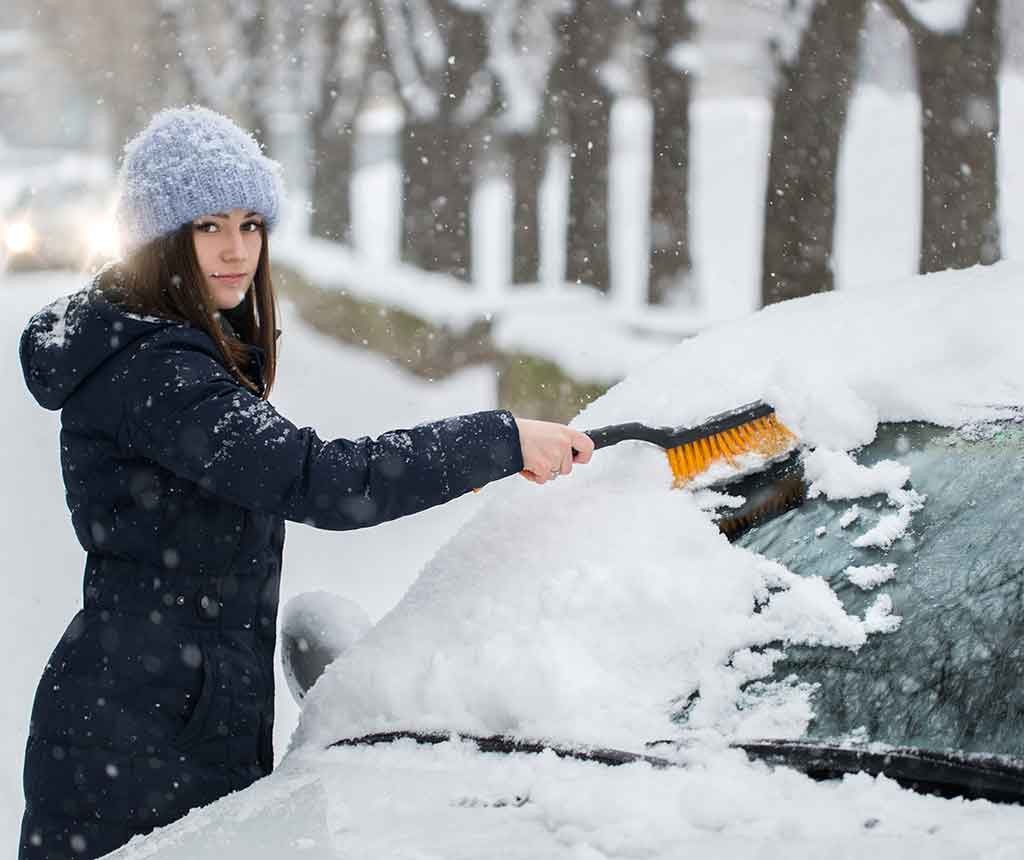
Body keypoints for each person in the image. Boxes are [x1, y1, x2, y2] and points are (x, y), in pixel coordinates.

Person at [17, 105, 594, 860]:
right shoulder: (159, 374)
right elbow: (321, 481)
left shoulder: (168, 349)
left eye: (251, 224)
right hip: (135, 744)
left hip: (167, 716)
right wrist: (500, 438)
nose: (236, 250)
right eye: (207, 226)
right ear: (160, 239)